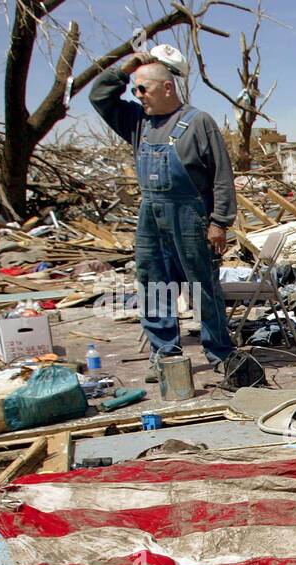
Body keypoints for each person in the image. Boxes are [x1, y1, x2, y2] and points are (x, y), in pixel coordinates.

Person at [91, 53, 259, 386]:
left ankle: (220, 354)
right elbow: (99, 96)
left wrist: (219, 222)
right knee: (155, 285)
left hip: (190, 217)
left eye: (143, 89)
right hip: (151, 217)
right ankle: (164, 354)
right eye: (134, 89)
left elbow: (222, 177)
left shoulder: (198, 123)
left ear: (167, 88)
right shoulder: (137, 122)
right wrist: (125, 69)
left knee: (203, 288)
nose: (137, 95)